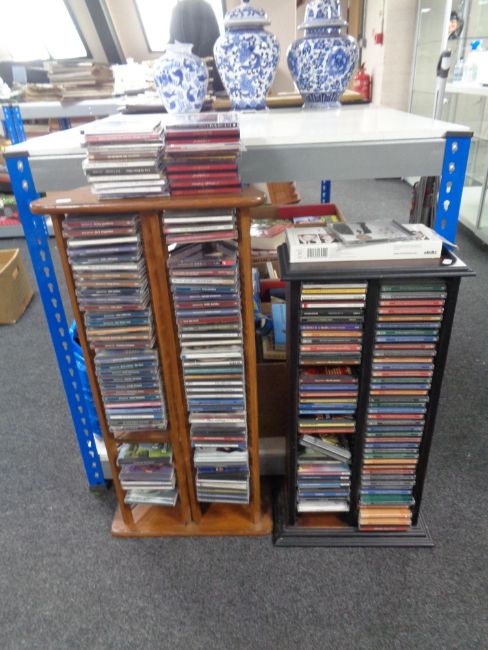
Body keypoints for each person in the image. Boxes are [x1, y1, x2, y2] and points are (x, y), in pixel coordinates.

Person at [169, 0, 223, 91]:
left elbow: (172, 44)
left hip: (185, 77)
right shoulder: (205, 7)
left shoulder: (178, 9)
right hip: (207, 75)